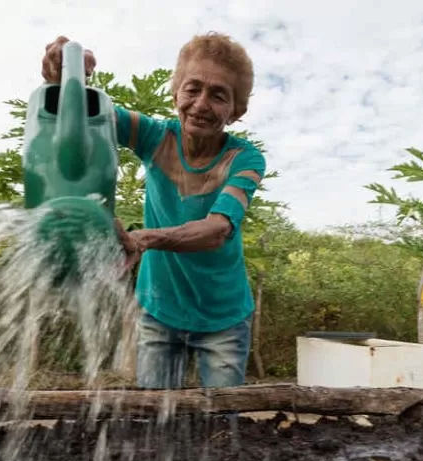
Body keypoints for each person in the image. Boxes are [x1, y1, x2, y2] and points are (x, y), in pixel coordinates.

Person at [41, 32, 266, 389]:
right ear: (176, 92)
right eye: (193, 89)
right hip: (158, 310)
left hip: (224, 318)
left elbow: (218, 229)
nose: (201, 104)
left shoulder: (244, 159)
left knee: (223, 425)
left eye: (219, 95)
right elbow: (87, 116)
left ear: (236, 110)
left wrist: (142, 239)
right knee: (154, 420)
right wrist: (64, 77)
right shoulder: (155, 136)